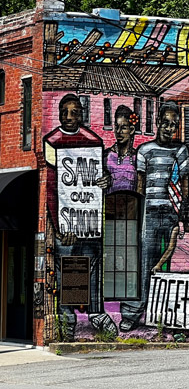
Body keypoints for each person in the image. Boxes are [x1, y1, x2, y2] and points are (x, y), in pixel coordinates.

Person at [44, 93, 117, 339]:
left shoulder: (93, 141)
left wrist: (106, 180)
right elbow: (51, 189)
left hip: (89, 221)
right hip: (66, 226)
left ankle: (96, 313)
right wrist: (58, 226)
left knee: (93, 266)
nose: (69, 117)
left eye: (75, 112)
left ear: (82, 115)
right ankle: (67, 319)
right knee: (69, 271)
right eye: (64, 112)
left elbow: (101, 179)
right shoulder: (52, 142)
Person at [119, 101, 189, 332]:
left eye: (174, 125)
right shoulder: (144, 151)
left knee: (172, 265)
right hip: (149, 212)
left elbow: (185, 186)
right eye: (166, 123)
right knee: (145, 263)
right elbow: (139, 186)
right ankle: (132, 313)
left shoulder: (181, 150)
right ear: (158, 122)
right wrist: (138, 216)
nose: (170, 128)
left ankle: (167, 315)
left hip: (172, 213)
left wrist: (184, 218)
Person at [98, 105, 138, 194]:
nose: (119, 131)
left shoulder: (137, 158)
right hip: (110, 204)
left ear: (131, 130)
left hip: (131, 205)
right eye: (116, 127)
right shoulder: (106, 156)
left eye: (123, 128)